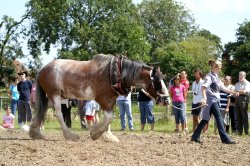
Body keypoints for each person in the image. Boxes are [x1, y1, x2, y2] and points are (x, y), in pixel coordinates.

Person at [191, 59, 238, 144]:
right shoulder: (209, 77)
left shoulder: (216, 77)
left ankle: (195, 136)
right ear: (215, 67)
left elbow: (223, 88)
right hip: (211, 101)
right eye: (219, 67)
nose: (220, 69)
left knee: (205, 119)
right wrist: (205, 98)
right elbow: (203, 88)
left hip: (214, 100)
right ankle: (225, 139)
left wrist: (233, 92)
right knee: (219, 119)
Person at [234, 71, 250, 135]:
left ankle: (246, 132)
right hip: (237, 99)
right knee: (238, 115)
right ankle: (239, 131)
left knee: (244, 116)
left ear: (244, 76)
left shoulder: (247, 83)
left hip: (244, 99)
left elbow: (245, 91)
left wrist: (237, 91)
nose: (240, 77)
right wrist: (237, 92)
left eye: (241, 75)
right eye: (239, 75)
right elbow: (234, 92)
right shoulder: (237, 84)